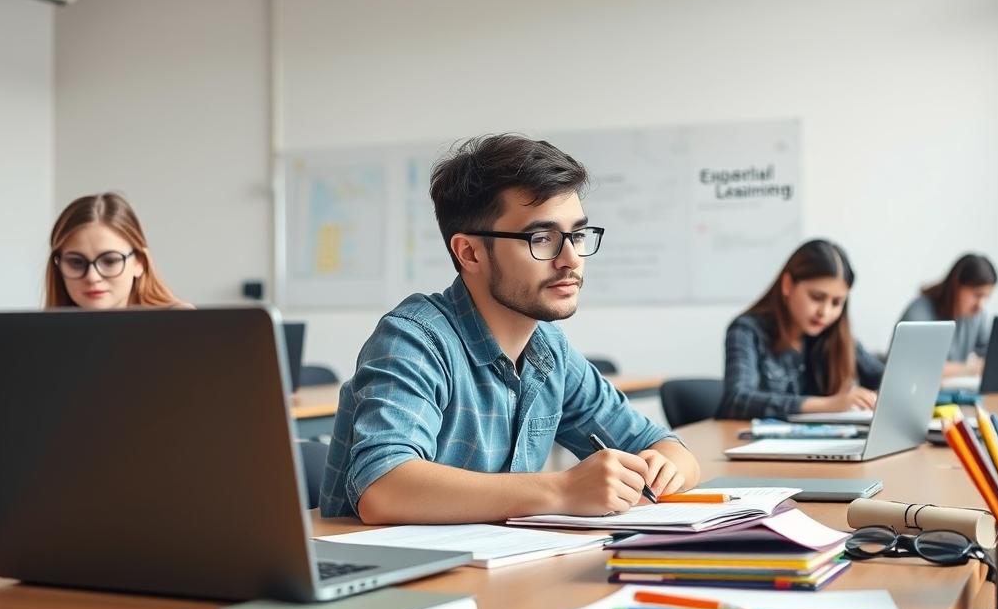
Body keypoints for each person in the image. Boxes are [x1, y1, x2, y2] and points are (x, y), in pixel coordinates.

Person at [320, 134, 701, 524]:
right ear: (469, 252)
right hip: (395, 575)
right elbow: (383, 489)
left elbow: (670, 449)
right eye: (541, 238)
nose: (570, 259)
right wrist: (562, 490)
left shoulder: (549, 349)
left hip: (498, 568)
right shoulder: (413, 339)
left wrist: (665, 466)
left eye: (578, 235)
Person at [0, 193, 186, 441]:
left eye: (110, 260)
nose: (92, 276)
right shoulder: (47, 339)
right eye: (76, 262)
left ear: (139, 262)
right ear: (59, 265)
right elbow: (29, 415)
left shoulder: (180, 325)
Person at [717, 239, 885, 420]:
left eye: (837, 302)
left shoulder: (835, 335)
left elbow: (884, 378)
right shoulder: (746, 331)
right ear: (788, 285)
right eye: (816, 297)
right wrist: (830, 405)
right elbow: (737, 400)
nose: (825, 312)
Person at [898, 253, 997, 377]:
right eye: (977, 295)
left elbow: (993, 358)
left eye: (987, 296)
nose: (981, 305)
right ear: (956, 286)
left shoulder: (977, 315)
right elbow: (918, 368)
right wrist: (969, 368)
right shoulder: (918, 313)